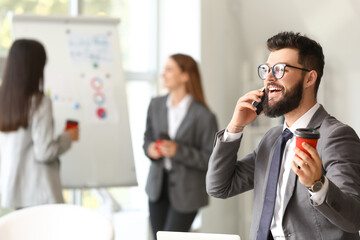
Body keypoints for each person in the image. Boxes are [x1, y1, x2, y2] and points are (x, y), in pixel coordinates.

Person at [206, 32, 360, 240]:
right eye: (267, 69)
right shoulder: (272, 139)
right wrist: (235, 127)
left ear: (309, 78)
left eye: (279, 70)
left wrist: (318, 185)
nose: (269, 78)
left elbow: (354, 218)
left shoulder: (336, 136)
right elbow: (219, 186)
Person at [143, 53, 218, 239]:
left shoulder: (205, 116)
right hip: (157, 188)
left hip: (188, 192)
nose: (163, 75)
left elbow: (211, 159)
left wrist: (178, 151)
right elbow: (147, 138)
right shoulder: (155, 105)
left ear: (185, 75)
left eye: (169, 70)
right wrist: (150, 149)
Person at [0, 39, 79, 209]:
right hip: (38, 191)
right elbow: (44, 152)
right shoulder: (39, 102)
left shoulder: (3, 99)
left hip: (13, 188)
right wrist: (67, 137)